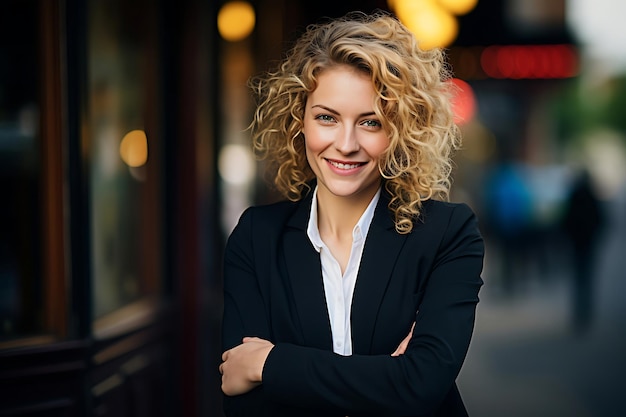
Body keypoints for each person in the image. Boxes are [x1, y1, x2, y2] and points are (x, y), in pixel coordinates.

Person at [219, 11, 484, 416]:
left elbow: (422, 386)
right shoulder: (256, 238)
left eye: (370, 122)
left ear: (399, 131)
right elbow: (243, 401)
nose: (345, 144)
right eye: (327, 117)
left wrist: (271, 363)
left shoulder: (447, 233)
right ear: (299, 122)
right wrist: (385, 378)